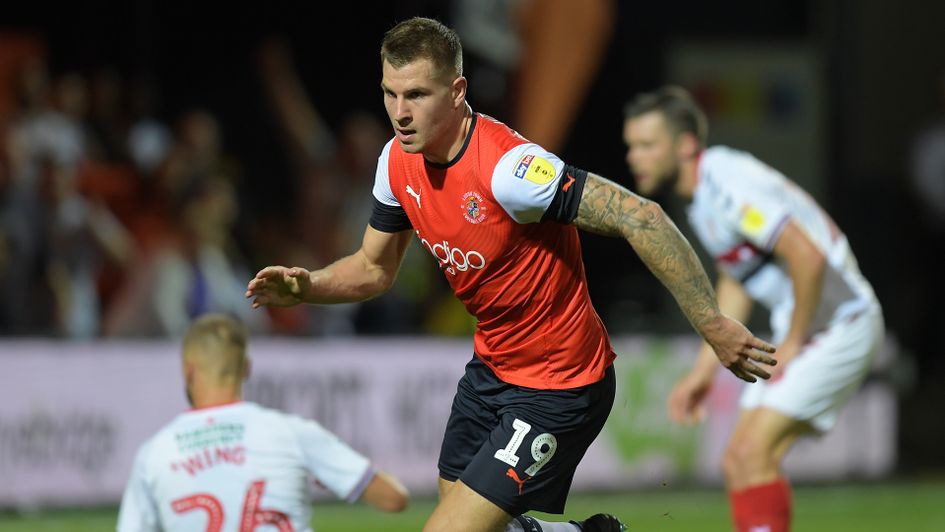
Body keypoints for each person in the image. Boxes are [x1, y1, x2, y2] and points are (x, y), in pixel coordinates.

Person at [246, 18, 775, 532]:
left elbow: (642, 216)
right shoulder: (395, 163)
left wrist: (713, 324)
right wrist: (309, 286)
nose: (400, 113)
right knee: (468, 511)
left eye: (417, 95)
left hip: (561, 384)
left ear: (457, 92)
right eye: (390, 94)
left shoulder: (511, 170)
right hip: (491, 371)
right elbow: (372, 269)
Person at [622, 86, 884, 532]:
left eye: (647, 145)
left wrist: (795, 342)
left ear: (685, 145)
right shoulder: (703, 201)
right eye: (631, 146)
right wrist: (706, 369)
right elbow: (736, 282)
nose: (634, 157)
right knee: (740, 461)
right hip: (814, 329)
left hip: (842, 324)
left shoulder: (725, 180)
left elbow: (808, 256)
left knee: (750, 454)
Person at [116, 313, 408, 531]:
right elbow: (393, 498)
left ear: (188, 370)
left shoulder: (154, 454)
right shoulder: (291, 433)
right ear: (246, 368)